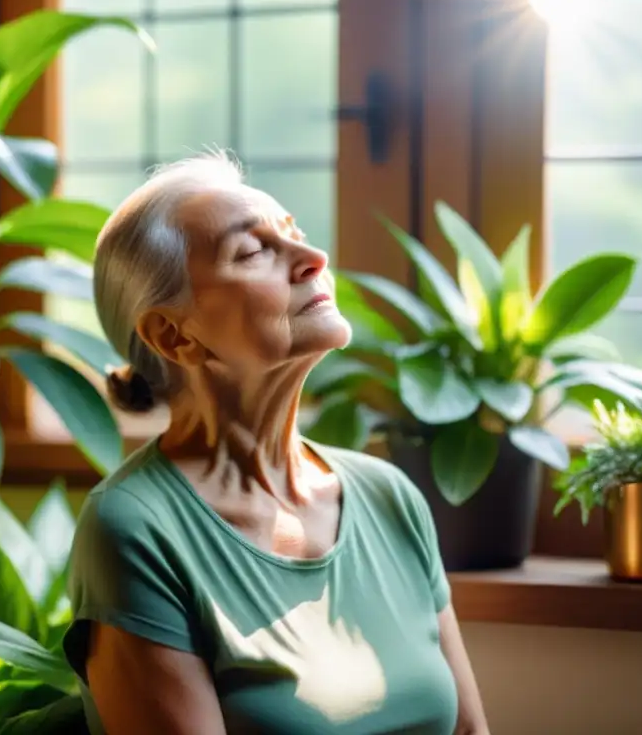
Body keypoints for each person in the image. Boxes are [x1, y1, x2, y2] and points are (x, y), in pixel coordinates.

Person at [63, 152, 490, 735]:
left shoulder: (389, 496)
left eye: (295, 234)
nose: (314, 259)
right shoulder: (134, 531)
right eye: (254, 251)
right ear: (173, 334)